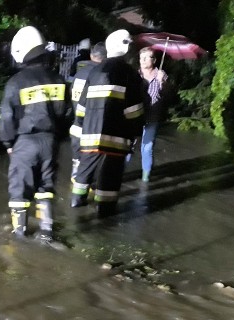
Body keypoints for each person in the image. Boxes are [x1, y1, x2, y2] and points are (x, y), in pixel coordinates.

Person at [0, 25, 69, 246]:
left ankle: (20, 235)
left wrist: (8, 143)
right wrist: (58, 137)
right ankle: (46, 233)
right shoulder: (58, 80)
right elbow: (67, 113)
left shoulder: (16, 82)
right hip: (50, 141)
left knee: (20, 188)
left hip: (25, 142)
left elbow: (7, 118)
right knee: (45, 186)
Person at [69, 29, 145, 217]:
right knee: (110, 175)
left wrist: (81, 125)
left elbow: (82, 107)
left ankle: (76, 203)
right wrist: (136, 132)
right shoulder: (130, 75)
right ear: (125, 48)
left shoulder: (94, 72)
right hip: (117, 136)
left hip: (89, 134)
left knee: (84, 172)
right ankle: (105, 212)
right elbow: (134, 110)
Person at [69, 42, 107, 188]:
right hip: (92, 126)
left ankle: (75, 178)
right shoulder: (101, 75)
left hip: (76, 124)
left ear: (92, 55)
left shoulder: (80, 73)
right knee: (90, 160)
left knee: (77, 157)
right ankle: (86, 186)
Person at [133, 46, 169, 182]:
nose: (142, 60)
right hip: (136, 114)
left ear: (153, 60)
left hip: (153, 116)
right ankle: (119, 174)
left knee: (147, 146)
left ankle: (145, 176)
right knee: (129, 144)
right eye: (141, 58)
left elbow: (167, 95)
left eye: (146, 57)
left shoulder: (161, 75)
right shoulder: (136, 75)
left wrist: (162, 82)